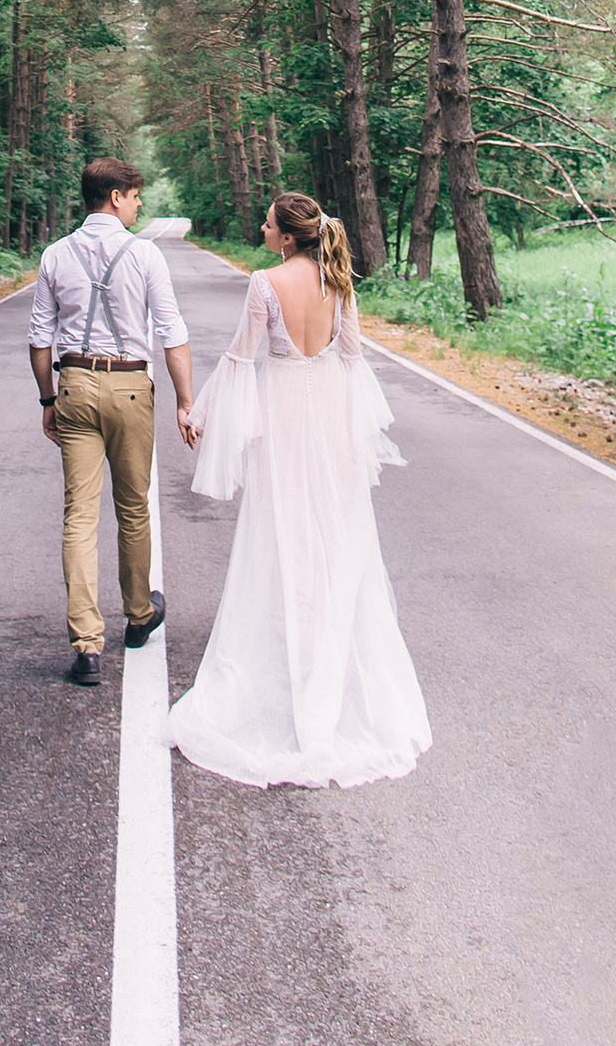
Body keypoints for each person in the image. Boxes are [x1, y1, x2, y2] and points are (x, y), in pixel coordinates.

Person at [167, 190, 432, 788]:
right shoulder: (340, 283)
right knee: (336, 534)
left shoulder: (265, 284)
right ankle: (329, 661)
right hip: (331, 410)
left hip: (284, 409)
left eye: (266, 223)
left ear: (286, 237)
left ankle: (287, 661)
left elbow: (240, 359)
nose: (260, 228)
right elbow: (354, 356)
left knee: (282, 529)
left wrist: (199, 413)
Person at [28, 157, 196, 688]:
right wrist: (184, 400)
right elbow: (171, 332)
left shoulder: (56, 254)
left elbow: (39, 339)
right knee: (133, 508)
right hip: (128, 387)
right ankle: (139, 615)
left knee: (79, 514)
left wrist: (48, 400)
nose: (139, 203)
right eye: (135, 194)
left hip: (74, 384)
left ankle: (85, 643)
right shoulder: (144, 254)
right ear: (115, 196)